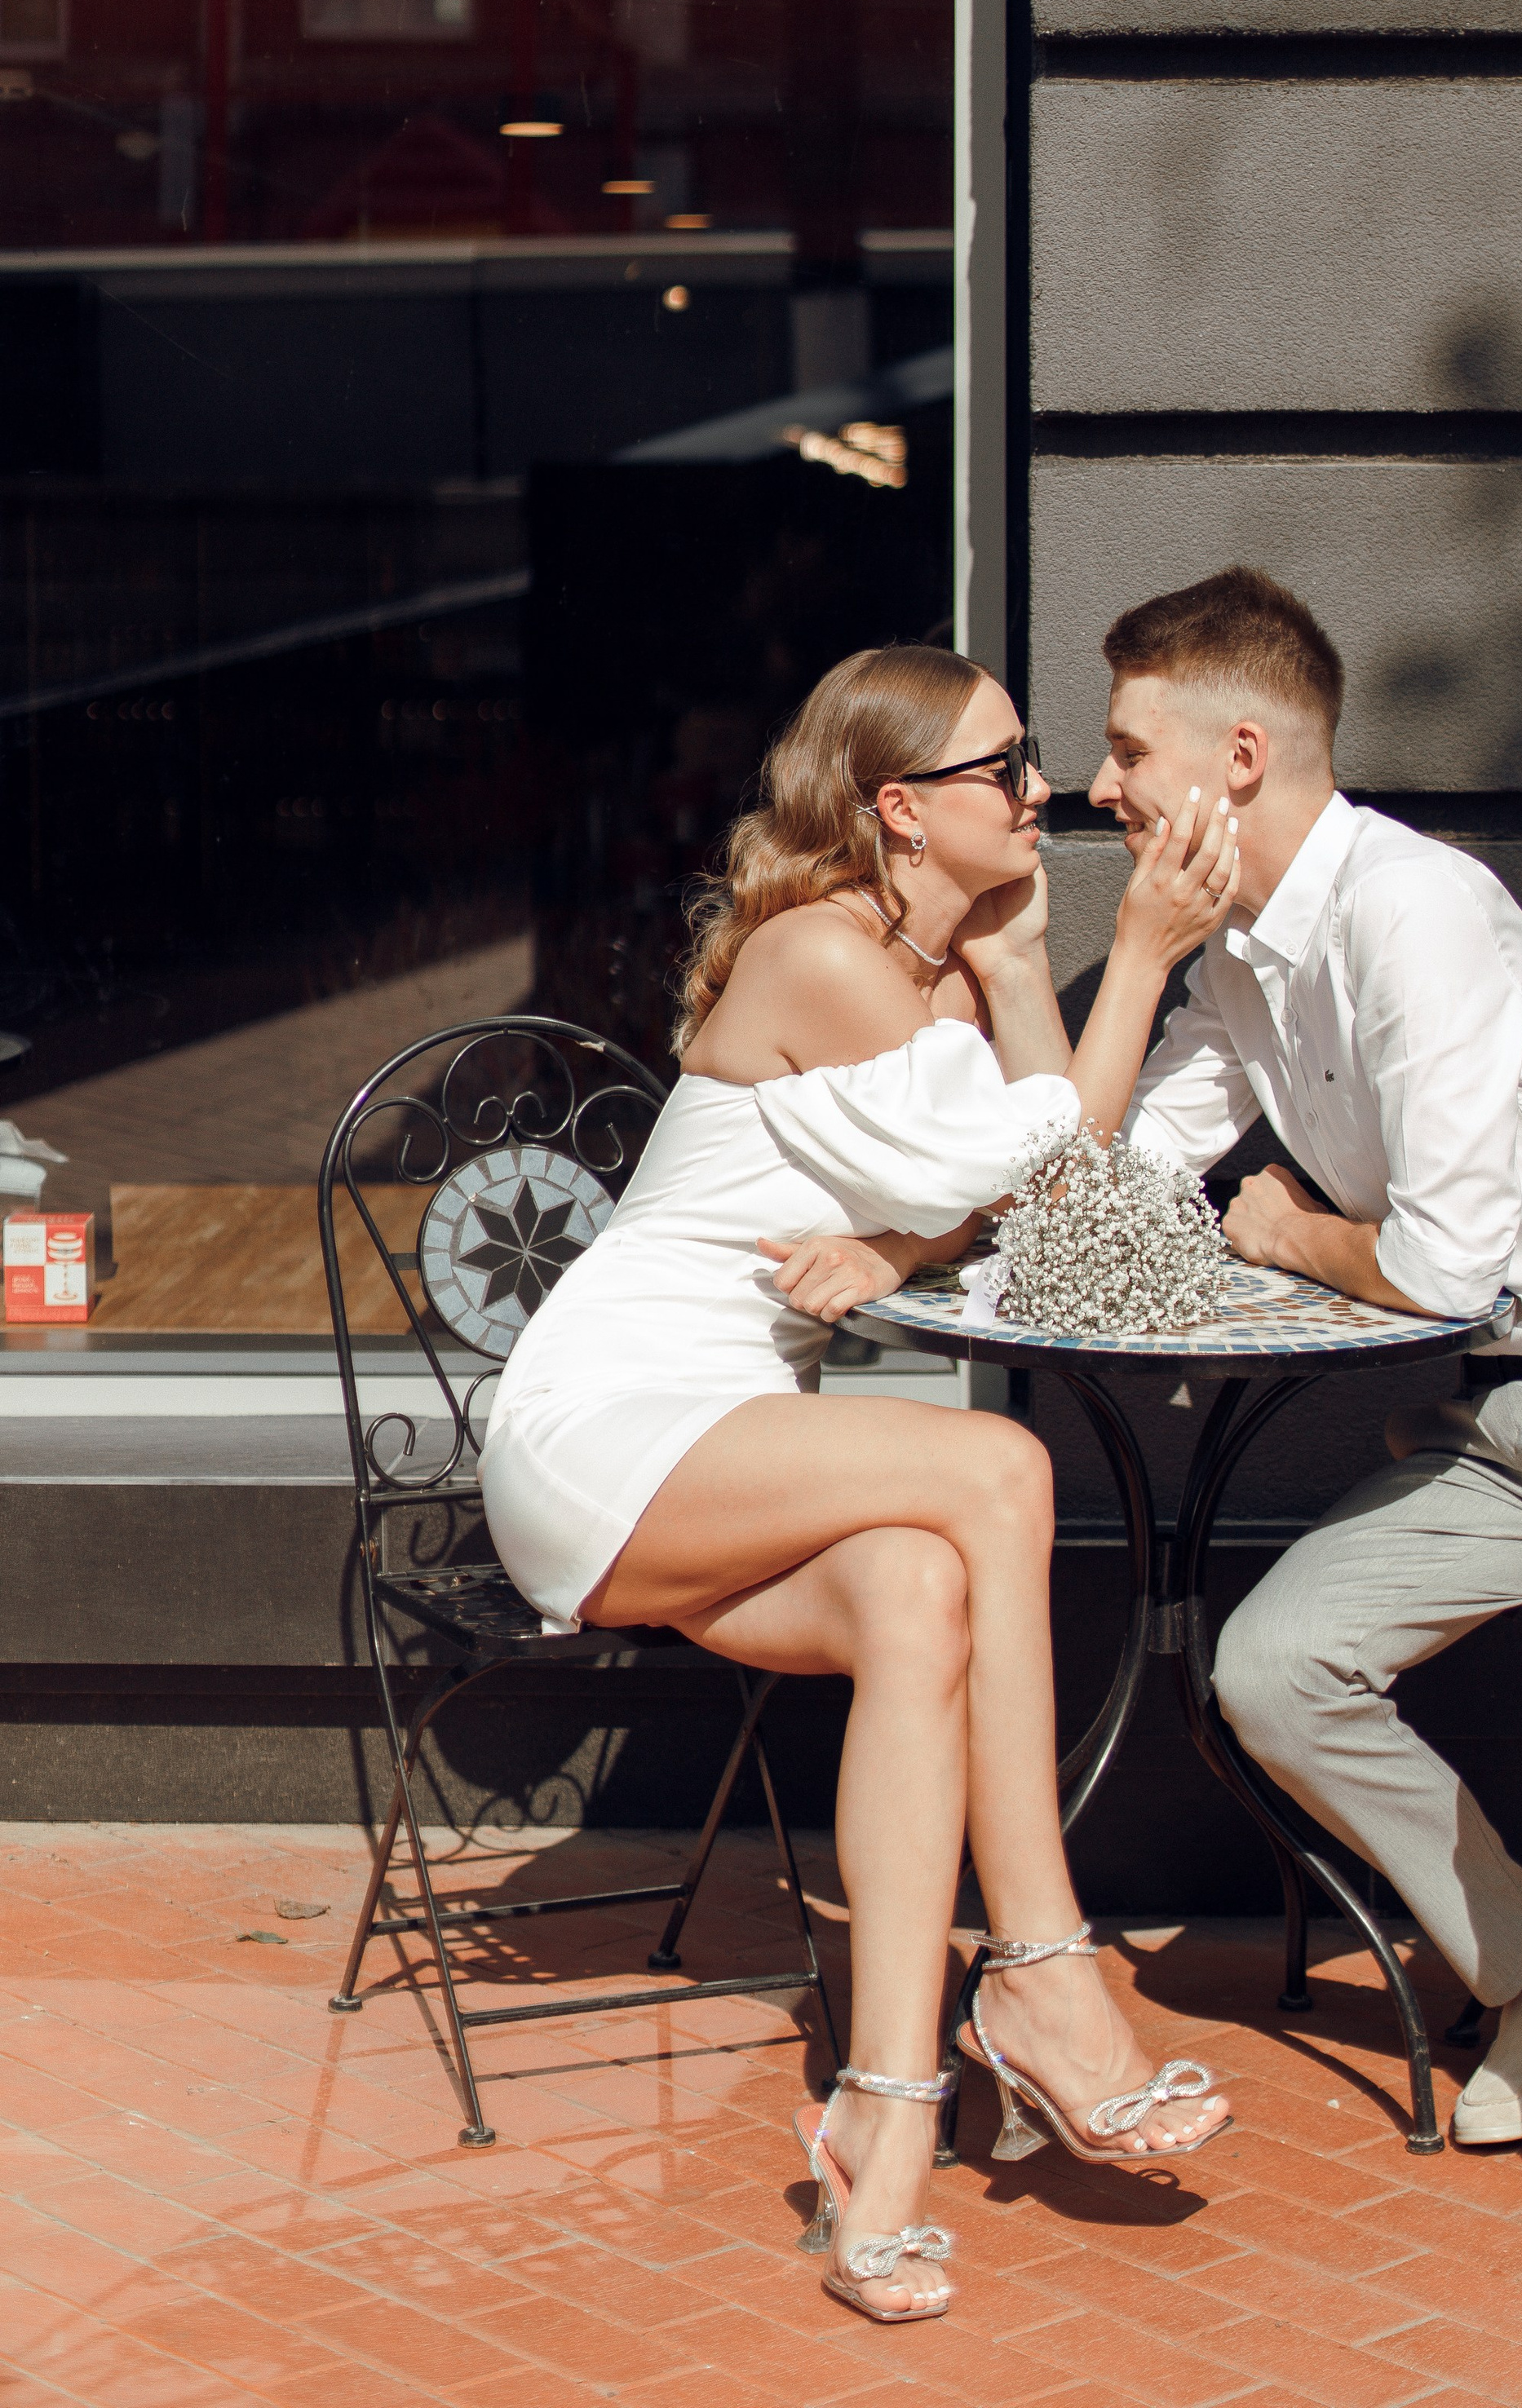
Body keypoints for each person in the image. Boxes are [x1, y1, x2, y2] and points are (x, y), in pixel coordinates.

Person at [1069, 567, 1522, 2362]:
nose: (1097, 788)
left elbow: (1446, 1264)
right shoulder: (1238, 954)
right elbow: (1084, 1200)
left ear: (1234, 756)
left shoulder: (1415, 915)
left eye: (1121, 748)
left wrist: (1286, 1229)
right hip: (1496, 1429)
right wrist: (1147, 962)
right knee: (1268, 1664)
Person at [478, 645, 1237, 2326]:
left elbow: (1071, 1215)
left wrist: (1032, 971)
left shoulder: (943, 988)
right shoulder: (818, 953)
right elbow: (1026, 1163)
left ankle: (881, 2127)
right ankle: (1045, 1976)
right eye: (1001, 767)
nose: (1035, 787)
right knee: (993, 1462)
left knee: (918, 1584)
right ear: (898, 810)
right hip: (611, 1420)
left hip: (726, 1441)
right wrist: (1146, 966)